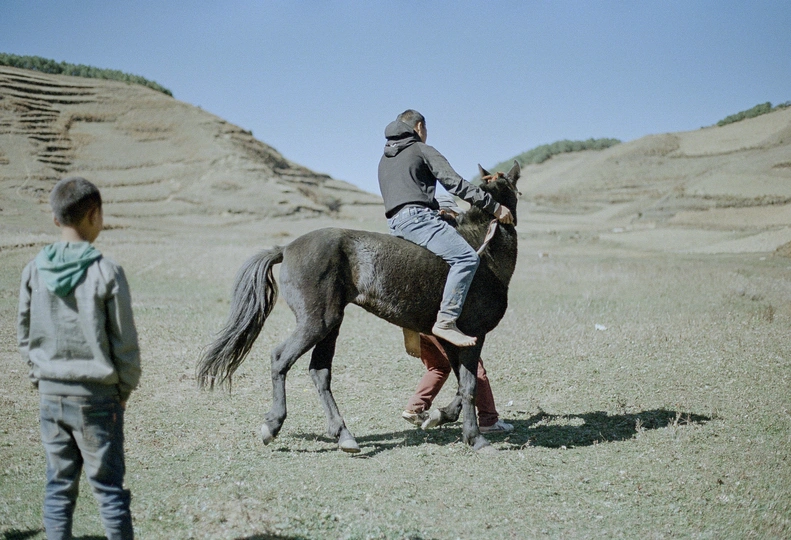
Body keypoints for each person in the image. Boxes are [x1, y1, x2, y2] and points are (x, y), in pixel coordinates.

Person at [17, 176, 141, 540]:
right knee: (109, 492)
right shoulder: (106, 271)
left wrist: (41, 378)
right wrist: (124, 389)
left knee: (58, 488)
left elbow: (24, 335)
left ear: (56, 220)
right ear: (95, 215)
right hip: (97, 399)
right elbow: (125, 344)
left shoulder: (32, 270)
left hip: (50, 397)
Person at [378, 109, 514, 347]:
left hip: (395, 224)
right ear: (420, 127)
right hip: (418, 219)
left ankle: (411, 325)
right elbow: (455, 184)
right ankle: (446, 320)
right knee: (466, 259)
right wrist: (494, 207)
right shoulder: (421, 149)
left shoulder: (386, 158)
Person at [401, 333, 514, 433]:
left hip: (418, 327)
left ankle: (414, 408)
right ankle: (489, 421)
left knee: (438, 367)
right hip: (441, 326)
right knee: (473, 369)